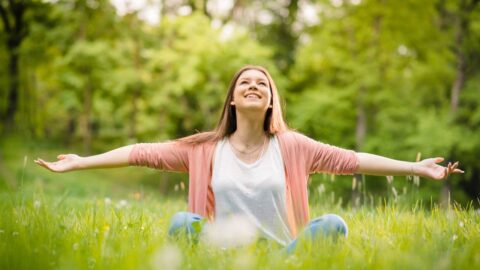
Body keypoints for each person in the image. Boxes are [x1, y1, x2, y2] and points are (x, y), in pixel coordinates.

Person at [35, 65, 463, 251]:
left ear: (272, 100)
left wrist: (415, 167)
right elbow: (139, 153)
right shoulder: (205, 149)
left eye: (263, 83)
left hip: (283, 253)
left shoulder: (293, 146)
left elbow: (352, 159)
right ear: (234, 101)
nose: (254, 86)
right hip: (224, 255)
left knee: (333, 225)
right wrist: (80, 161)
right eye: (246, 83)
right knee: (183, 224)